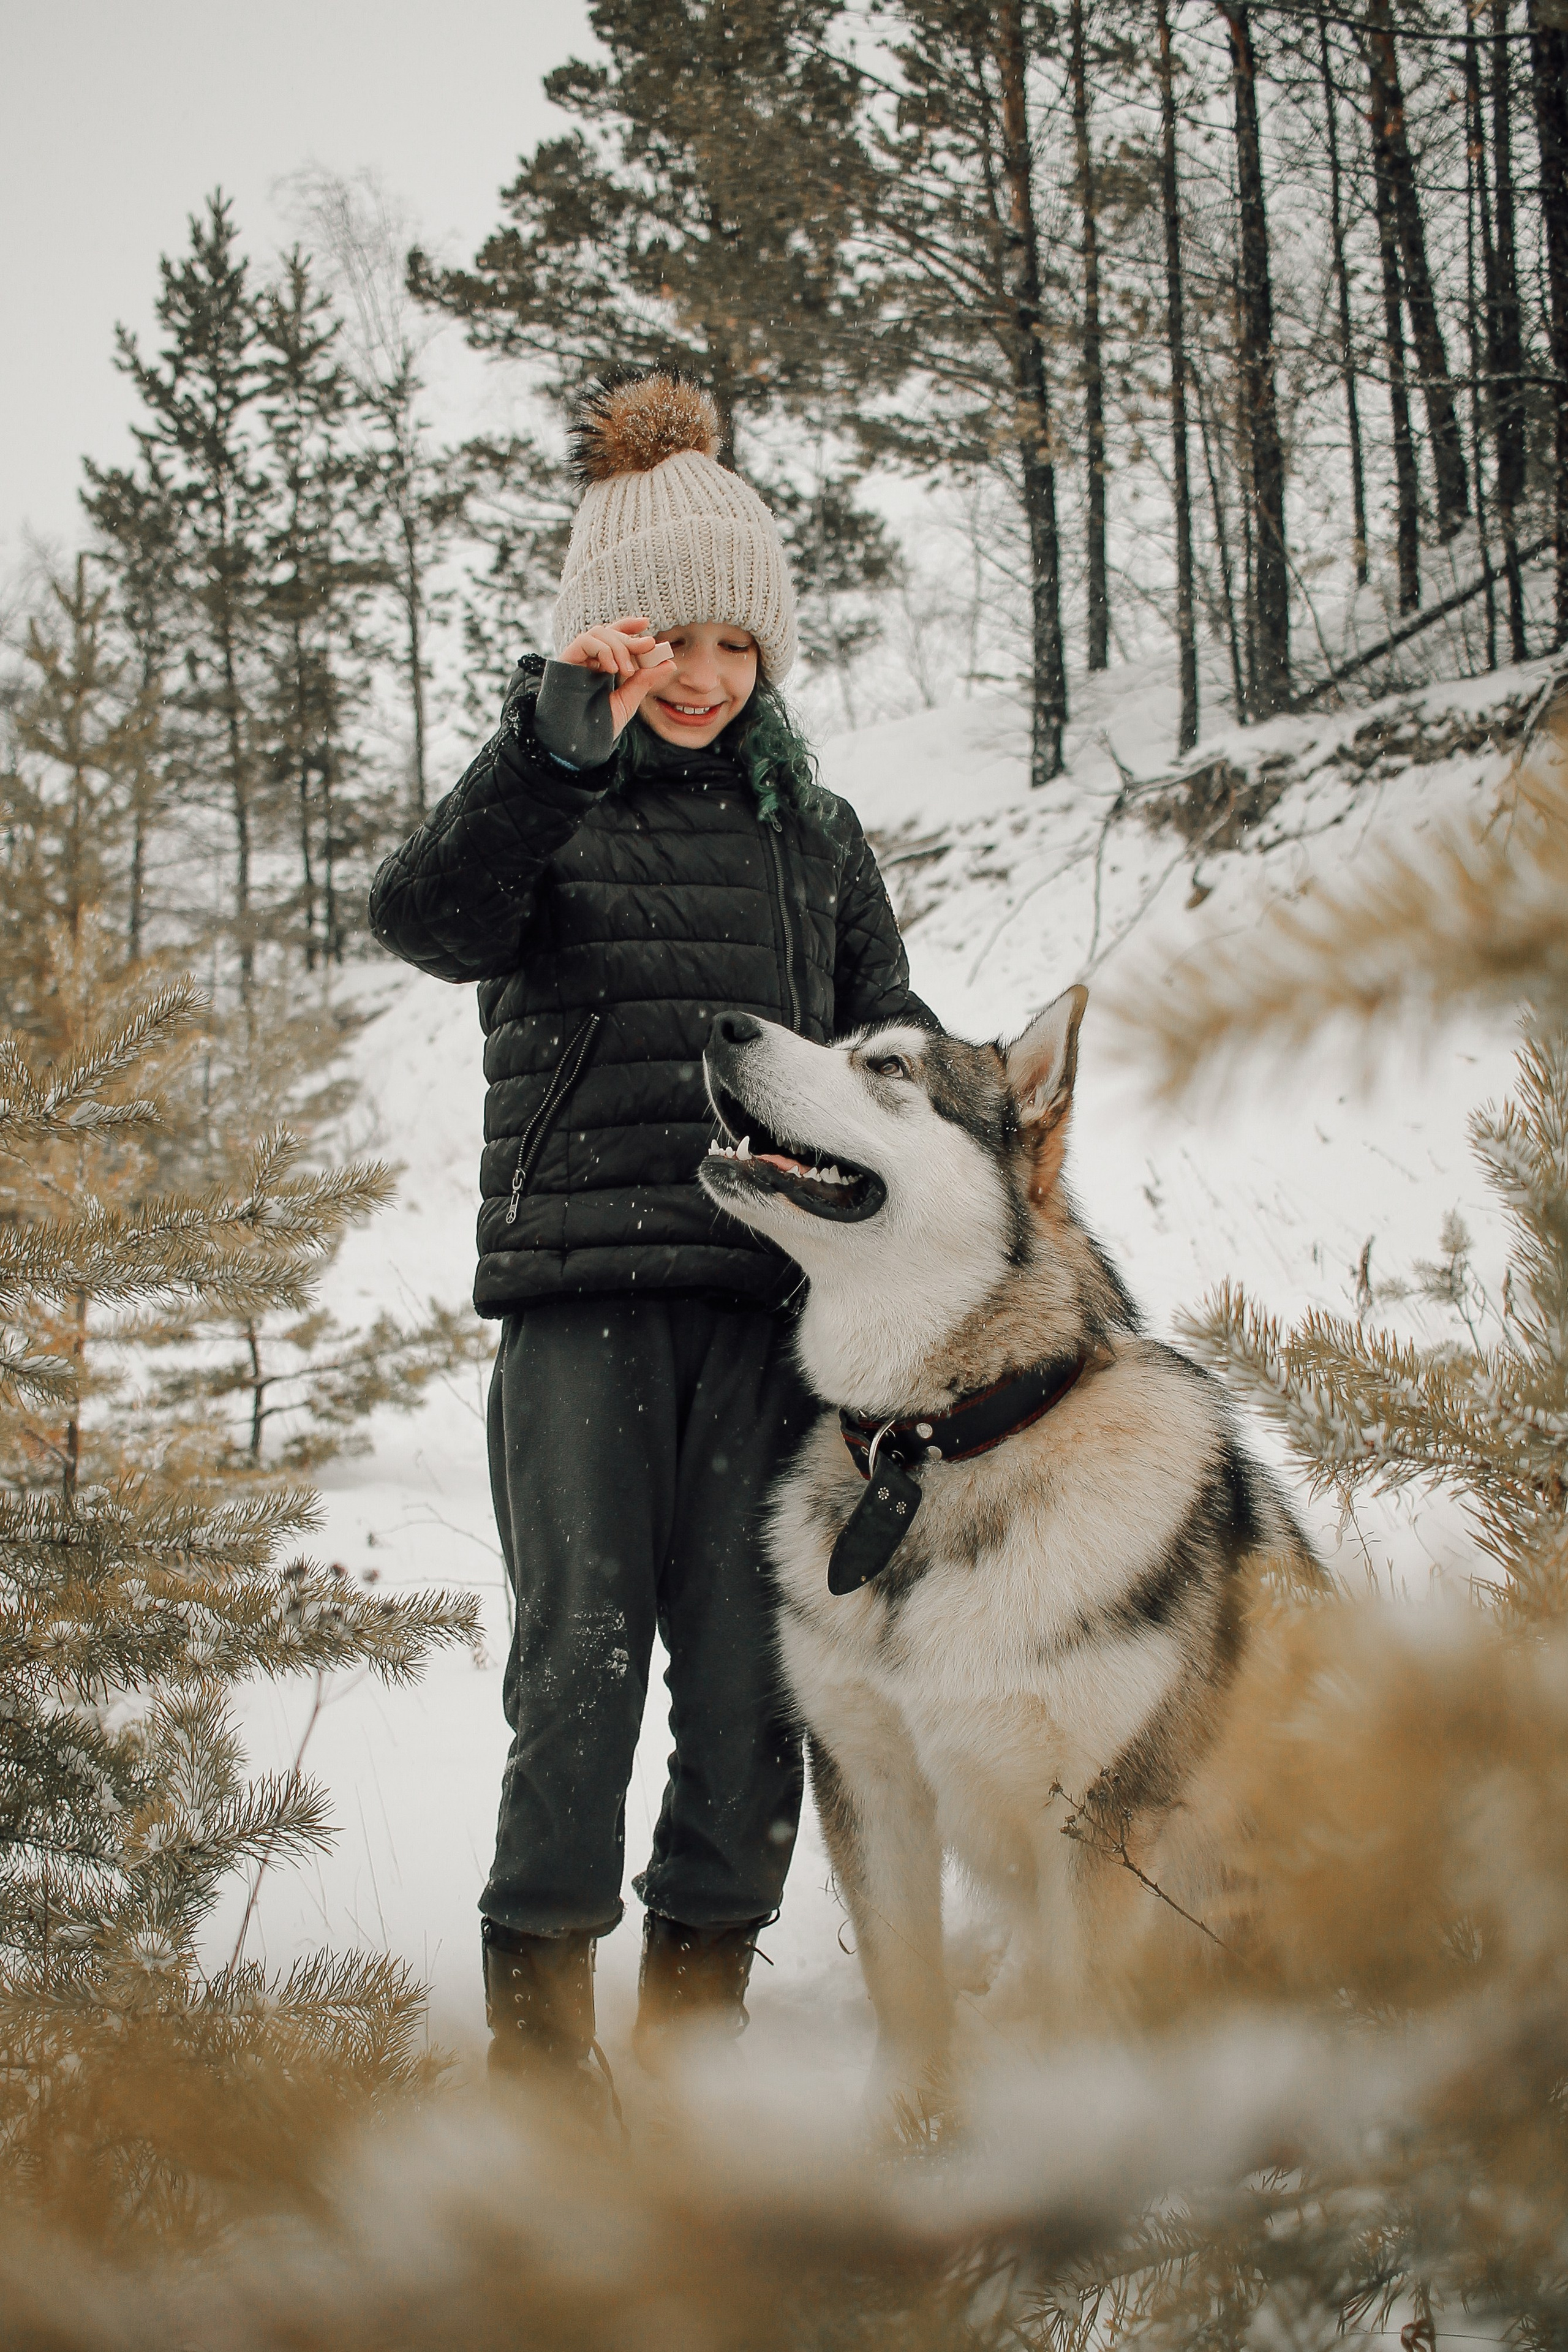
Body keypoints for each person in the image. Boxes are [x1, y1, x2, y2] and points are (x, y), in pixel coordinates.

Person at [368, 367, 932, 2107]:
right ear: (611, 640)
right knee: (583, 1669)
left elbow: (886, 1045)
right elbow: (425, 919)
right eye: (669, 640)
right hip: (582, 1310)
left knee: (755, 1683)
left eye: (736, 649)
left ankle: (698, 2020)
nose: (702, 677)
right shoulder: (550, 810)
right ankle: (544, 2045)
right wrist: (551, 741)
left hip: (774, 1318)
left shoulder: (814, 839)